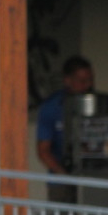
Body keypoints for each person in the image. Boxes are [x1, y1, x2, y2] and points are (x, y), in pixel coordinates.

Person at [36, 55, 97, 204]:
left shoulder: (97, 103)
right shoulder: (52, 107)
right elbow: (43, 150)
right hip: (61, 180)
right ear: (67, 80)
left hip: (94, 177)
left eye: (90, 80)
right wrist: (65, 177)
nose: (87, 85)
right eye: (82, 81)